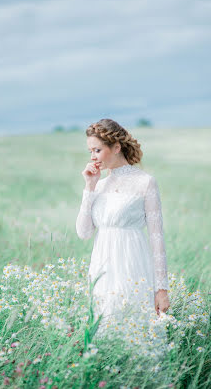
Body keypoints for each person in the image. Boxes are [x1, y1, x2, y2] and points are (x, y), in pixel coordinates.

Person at [76, 119, 170, 329]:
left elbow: (157, 239)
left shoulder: (145, 182)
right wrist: (89, 187)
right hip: (101, 268)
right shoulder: (98, 185)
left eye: (97, 150)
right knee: (104, 331)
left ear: (116, 147)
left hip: (133, 265)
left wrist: (161, 289)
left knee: (135, 327)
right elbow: (83, 233)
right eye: (90, 151)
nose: (92, 157)